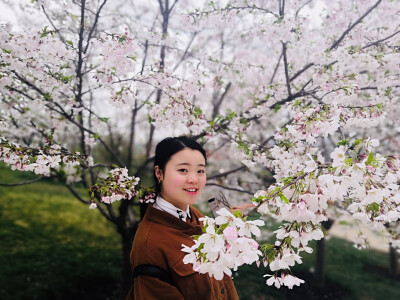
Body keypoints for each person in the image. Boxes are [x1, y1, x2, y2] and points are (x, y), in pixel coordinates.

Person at [126, 136, 239, 300]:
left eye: (200, 171)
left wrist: (232, 227)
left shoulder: (195, 216)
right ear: (159, 173)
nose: (194, 179)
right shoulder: (149, 245)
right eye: (183, 170)